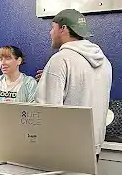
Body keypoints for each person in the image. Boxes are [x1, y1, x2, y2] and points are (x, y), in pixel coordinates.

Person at [36, 9, 112, 154]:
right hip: (93, 147)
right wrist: (48, 80)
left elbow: (47, 110)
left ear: (63, 29)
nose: (50, 33)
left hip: (65, 150)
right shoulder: (105, 62)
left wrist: (47, 85)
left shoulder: (60, 60)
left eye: (52, 28)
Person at [0, 45, 38, 157]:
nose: (3, 63)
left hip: (19, 143)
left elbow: (32, 113)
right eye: (0, 59)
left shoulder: (29, 83)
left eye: (7, 58)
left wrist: (15, 136)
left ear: (19, 61)